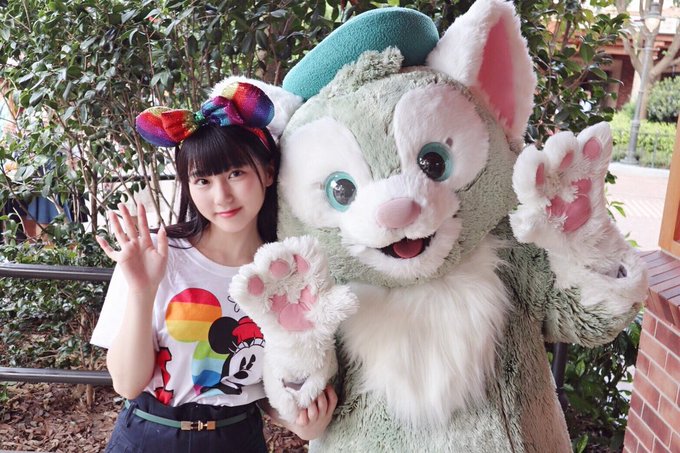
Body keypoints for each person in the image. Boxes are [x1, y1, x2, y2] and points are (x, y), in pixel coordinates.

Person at [90, 82, 336, 453]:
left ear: (268, 172)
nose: (222, 196)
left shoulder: (289, 272)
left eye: (236, 173)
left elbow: (267, 387)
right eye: (203, 180)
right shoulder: (155, 255)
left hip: (237, 439)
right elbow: (127, 384)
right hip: (147, 437)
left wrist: (300, 422)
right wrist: (142, 290)